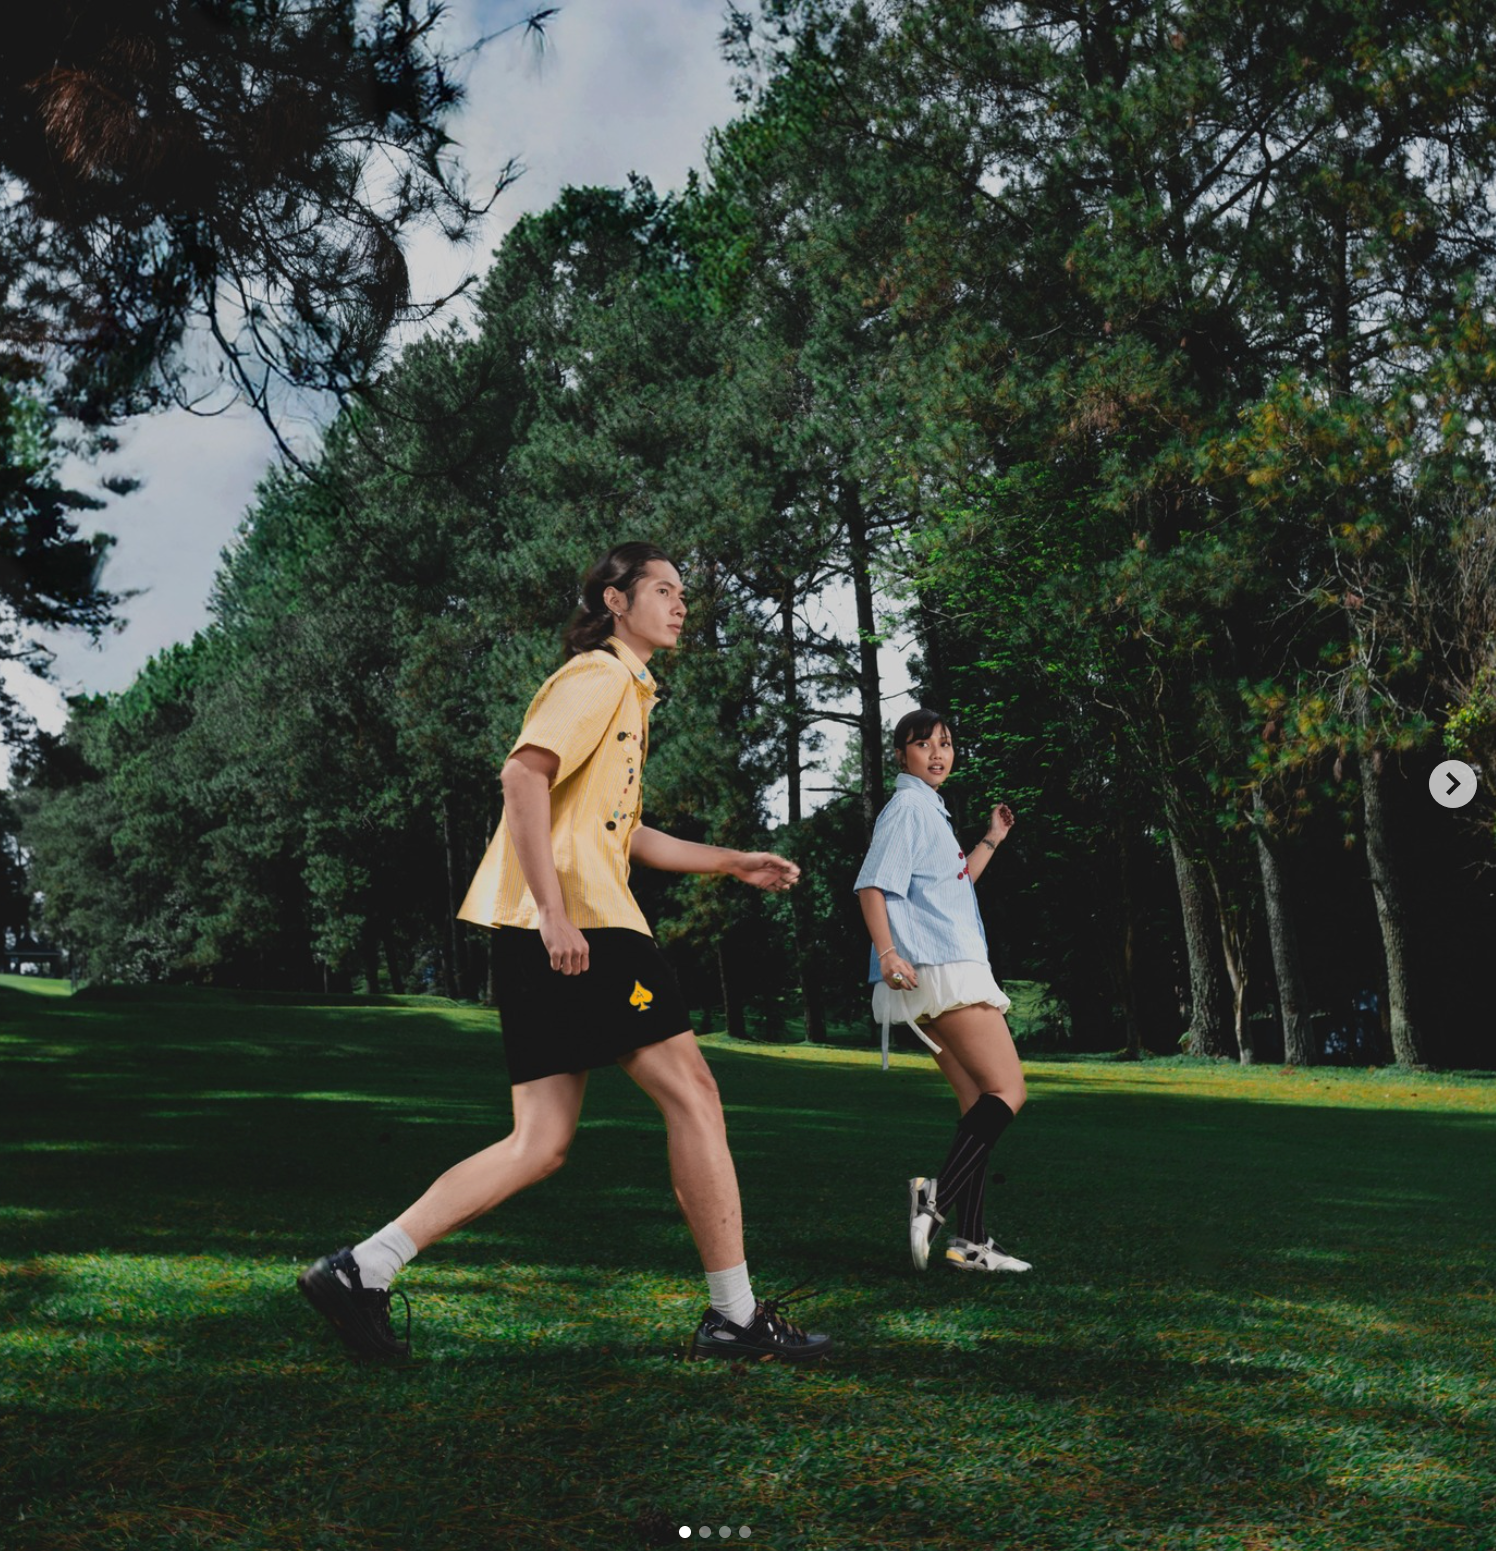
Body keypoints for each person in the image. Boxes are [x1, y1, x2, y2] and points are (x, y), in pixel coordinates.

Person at [298, 542, 831, 1364]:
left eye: (683, 592)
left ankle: (361, 1267)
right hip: (582, 925)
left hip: (557, 925)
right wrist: (554, 913)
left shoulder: (631, 691)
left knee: (539, 1141)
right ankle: (732, 1315)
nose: (680, 603)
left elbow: (621, 830)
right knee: (695, 1093)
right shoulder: (599, 677)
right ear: (616, 602)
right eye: (662, 589)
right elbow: (522, 778)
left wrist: (732, 860)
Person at [854, 708, 1032, 1275]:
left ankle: (970, 1242)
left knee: (976, 1103)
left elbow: (954, 888)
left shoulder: (929, 810)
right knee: (1008, 1090)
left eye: (947, 743)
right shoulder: (907, 807)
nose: (938, 752)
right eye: (924, 743)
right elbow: (872, 886)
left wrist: (991, 840)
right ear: (901, 753)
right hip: (942, 970)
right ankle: (935, 1197)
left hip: (933, 970)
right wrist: (887, 954)